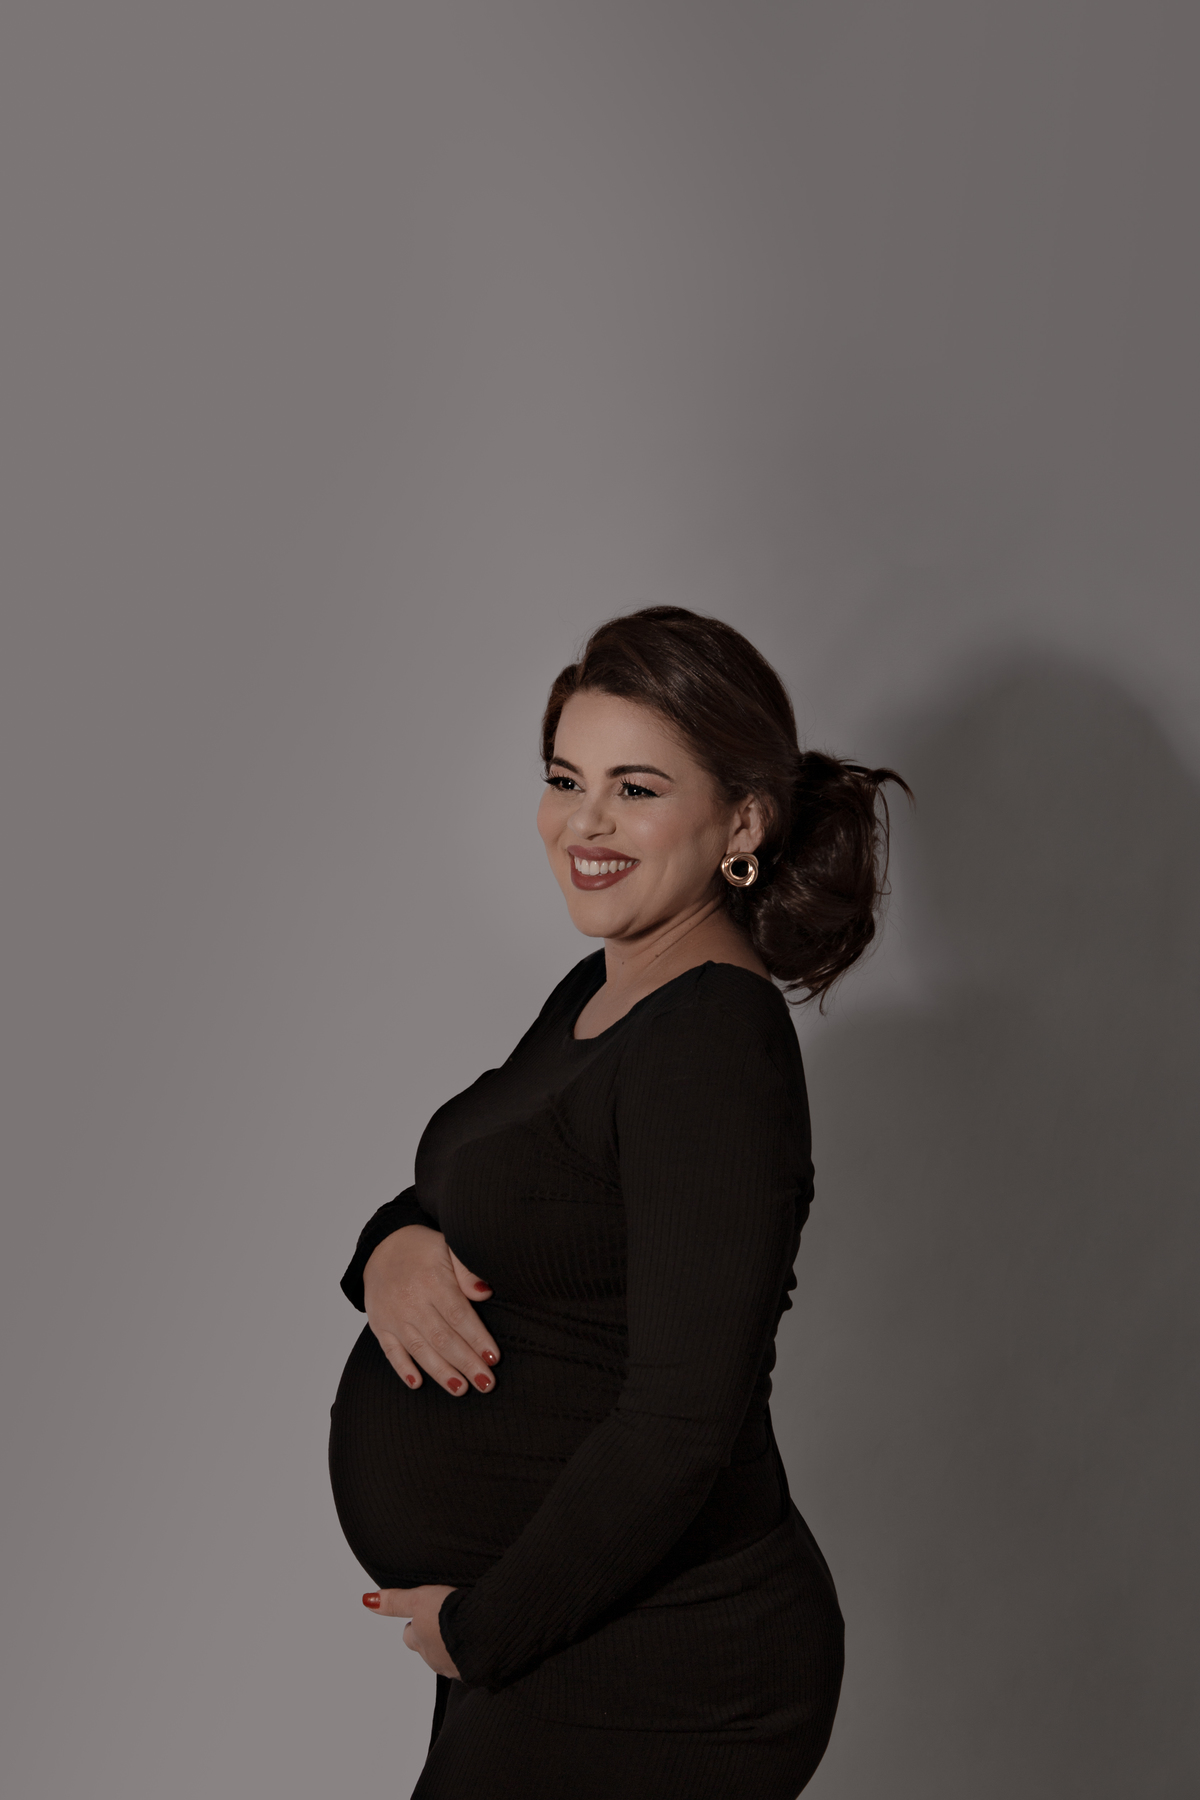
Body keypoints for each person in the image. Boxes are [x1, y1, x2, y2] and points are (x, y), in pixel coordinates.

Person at [329, 606, 908, 1798]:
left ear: (742, 822)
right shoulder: (604, 991)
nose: (583, 823)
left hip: (667, 1658)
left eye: (635, 789)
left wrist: (484, 1631)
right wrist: (389, 1248)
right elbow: (474, 1181)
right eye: (565, 779)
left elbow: (680, 1427)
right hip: (568, 1631)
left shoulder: (710, 1044)